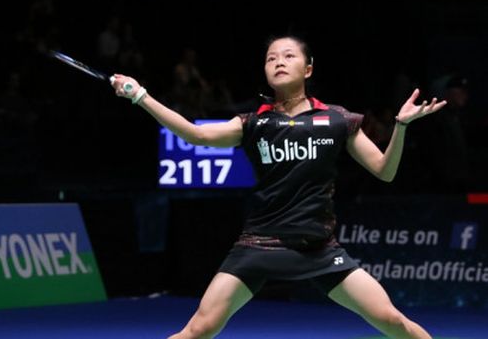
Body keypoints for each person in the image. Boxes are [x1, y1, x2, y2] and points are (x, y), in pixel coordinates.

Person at [110, 35, 445, 339]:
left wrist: (401, 126)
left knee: (392, 321)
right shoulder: (254, 123)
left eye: (288, 56)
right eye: (271, 58)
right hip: (259, 245)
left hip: (318, 248)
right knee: (199, 329)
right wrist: (141, 96)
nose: (279, 62)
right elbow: (194, 134)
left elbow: (384, 171)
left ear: (308, 68)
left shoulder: (338, 119)